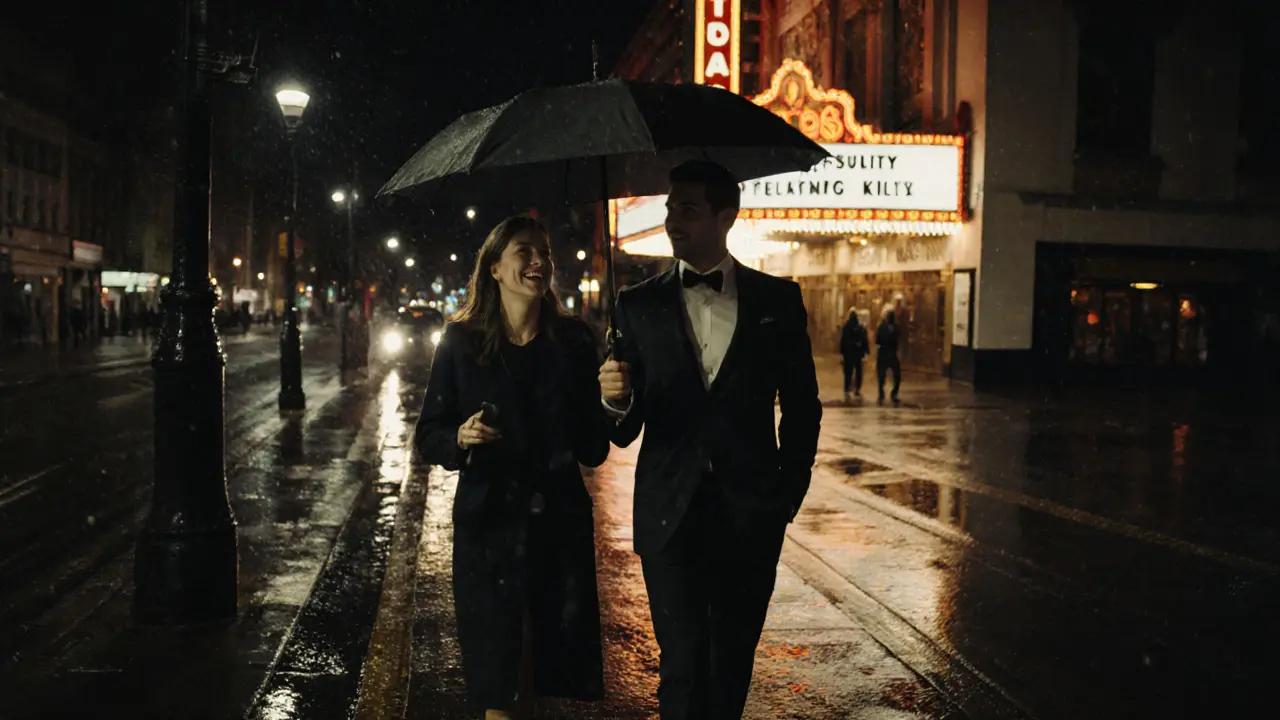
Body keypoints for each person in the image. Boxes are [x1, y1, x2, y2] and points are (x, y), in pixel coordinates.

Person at [598, 160, 823, 719]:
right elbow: (622, 431)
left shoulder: (778, 301)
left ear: (727, 217)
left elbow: (802, 407)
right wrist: (614, 397)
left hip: (750, 516)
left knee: (730, 667)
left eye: (689, 209)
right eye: (671, 208)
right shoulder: (636, 306)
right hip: (669, 517)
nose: (673, 220)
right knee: (681, 666)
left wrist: (785, 496)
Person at [414, 215, 611, 720]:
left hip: (557, 527)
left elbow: (593, 449)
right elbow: (429, 434)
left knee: (545, 668)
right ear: (495, 268)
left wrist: (614, 399)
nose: (540, 262)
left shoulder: (574, 343)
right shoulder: (460, 342)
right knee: (494, 674)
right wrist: (459, 435)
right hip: (488, 526)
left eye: (544, 252)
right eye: (525, 251)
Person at [839, 309, 869, 402]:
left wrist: (842, 352)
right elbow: (864, 340)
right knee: (857, 372)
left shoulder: (846, 327)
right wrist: (865, 350)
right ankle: (856, 388)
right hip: (857, 354)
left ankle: (848, 388)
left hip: (849, 354)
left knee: (849, 372)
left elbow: (843, 341)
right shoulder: (860, 328)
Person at [875, 307, 902, 404]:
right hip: (887, 353)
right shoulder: (892, 327)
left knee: (886, 375)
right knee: (885, 375)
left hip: (886, 353)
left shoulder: (883, 327)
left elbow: (877, 340)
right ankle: (886, 393)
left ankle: (886, 393)